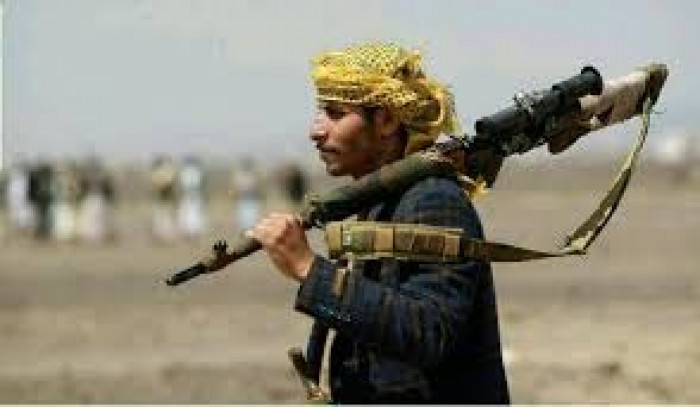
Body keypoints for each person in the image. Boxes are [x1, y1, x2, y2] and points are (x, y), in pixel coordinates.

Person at [245, 42, 510, 403]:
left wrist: (309, 270)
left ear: (386, 121)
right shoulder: (382, 203)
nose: (317, 131)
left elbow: (429, 332)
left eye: (336, 114)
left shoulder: (433, 200)